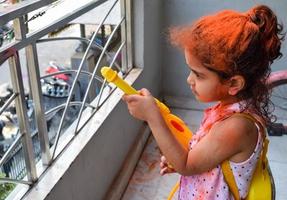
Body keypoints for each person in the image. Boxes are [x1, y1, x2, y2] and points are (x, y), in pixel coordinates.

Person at [122, 4, 284, 199]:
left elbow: (187, 165)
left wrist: (153, 117)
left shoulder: (237, 127)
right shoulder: (230, 108)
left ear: (234, 83)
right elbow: (204, 157)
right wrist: (180, 159)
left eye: (198, 75)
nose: (189, 80)